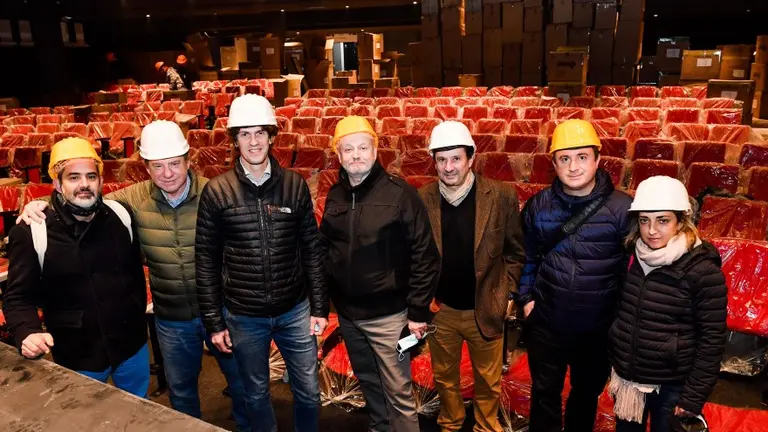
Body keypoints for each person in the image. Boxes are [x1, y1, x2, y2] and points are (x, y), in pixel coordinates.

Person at [16, 120, 250, 431]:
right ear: (147, 169)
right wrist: (37, 204)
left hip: (221, 313)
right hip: (171, 320)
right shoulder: (131, 201)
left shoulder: (216, 193)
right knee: (181, 395)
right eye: (157, 166)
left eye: (174, 164)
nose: (167, 173)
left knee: (243, 385)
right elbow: (81, 198)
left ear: (188, 160)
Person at [195, 94, 328, 432]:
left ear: (271, 136)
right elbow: (206, 261)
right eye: (244, 134)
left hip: (295, 310)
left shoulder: (294, 185)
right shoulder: (217, 191)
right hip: (243, 315)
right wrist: (214, 322)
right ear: (235, 140)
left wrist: (319, 307)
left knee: (309, 393)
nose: (253, 141)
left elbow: (312, 249)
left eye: (260, 133)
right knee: (254, 394)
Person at [320, 116, 441, 432]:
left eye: (363, 147)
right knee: (369, 381)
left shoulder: (401, 194)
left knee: (398, 392)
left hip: (390, 317)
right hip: (348, 315)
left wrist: (417, 313)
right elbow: (325, 252)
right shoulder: (335, 195)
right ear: (339, 155)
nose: (356, 155)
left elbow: (426, 257)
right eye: (348, 149)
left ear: (375, 151)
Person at [2, 137, 149, 397]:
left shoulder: (121, 215)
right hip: (79, 353)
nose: (84, 185)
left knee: (143, 411)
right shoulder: (32, 231)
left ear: (101, 182)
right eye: (73, 177)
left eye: (91, 176)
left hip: (131, 346)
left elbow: (134, 274)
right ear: (58, 184)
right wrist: (27, 331)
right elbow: (16, 297)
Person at [517, 119, 633, 432]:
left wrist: (620, 319)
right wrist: (526, 299)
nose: (573, 167)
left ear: (597, 159)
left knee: (585, 394)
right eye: (564, 158)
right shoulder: (538, 206)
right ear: (553, 163)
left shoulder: (624, 209)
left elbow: (630, 271)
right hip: (547, 322)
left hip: (596, 327)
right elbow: (524, 257)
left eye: (582, 157)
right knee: (544, 394)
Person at [418, 121, 525, 432]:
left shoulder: (501, 195)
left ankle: (485, 428)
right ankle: (451, 423)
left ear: (471, 158)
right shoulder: (422, 198)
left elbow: (515, 252)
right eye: (441, 159)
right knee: (444, 378)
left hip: (486, 306)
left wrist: (508, 294)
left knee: (489, 382)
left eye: (456, 159)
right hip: (442, 310)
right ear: (434, 161)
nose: (449, 167)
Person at [609, 176, 727, 432]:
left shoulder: (703, 271)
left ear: (681, 222)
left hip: (672, 385)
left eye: (663, 220)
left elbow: (712, 339)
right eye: (644, 220)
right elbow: (622, 313)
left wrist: (694, 396)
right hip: (629, 378)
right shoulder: (631, 258)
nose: (652, 230)